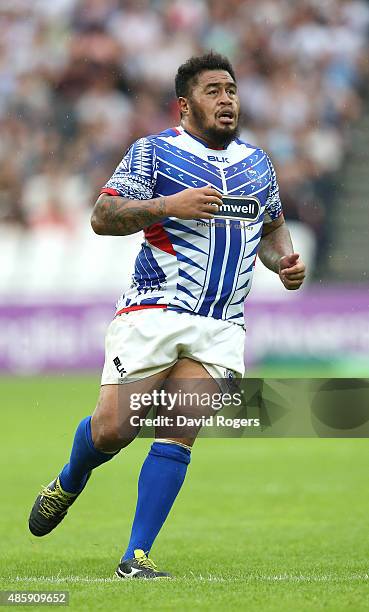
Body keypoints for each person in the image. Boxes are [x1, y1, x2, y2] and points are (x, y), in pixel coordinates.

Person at [29, 52, 306, 578]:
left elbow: (272, 231)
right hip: (154, 312)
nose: (227, 99)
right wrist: (165, 206)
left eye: (232, 90)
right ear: (184, 105)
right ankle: (69, 478)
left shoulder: (257, 164)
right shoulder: (154, 153)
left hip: (222, 323)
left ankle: (135, 556)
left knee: (179, 429)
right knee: (113, 431)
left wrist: (284, 264)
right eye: (213, 91)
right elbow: (102, 216)